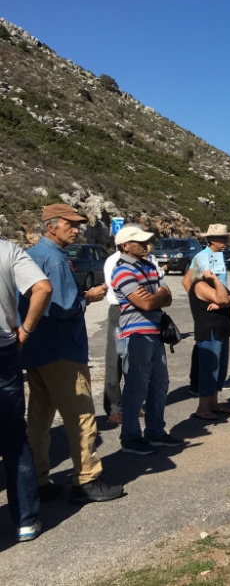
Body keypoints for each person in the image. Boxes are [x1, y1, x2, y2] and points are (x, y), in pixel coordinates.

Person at [20, 204, 124, 504]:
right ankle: (87, 479)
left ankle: (38, 480)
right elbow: (65, 305)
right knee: (80, 417)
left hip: (37, 350)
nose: (76, 229)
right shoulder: (54, 260)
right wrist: (88, 297)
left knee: (38, 420)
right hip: (63, 350)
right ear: (51, 226)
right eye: (71, 224)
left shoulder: (30, 256)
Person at [112, 223, 182, 456]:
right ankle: (130, 437)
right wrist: (157, 295)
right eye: (139, 242)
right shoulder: (122, 270)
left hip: (154, 332)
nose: (146, 245)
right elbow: (146, 303)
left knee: (160, 383)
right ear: (125, 246)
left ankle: (154, 431)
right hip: (137, 333)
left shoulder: (149, 267)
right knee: (136, 385)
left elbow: (166, 297)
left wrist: (156, 296)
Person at [1, 238, 52, 542]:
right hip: (4, 350)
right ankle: (24, 521)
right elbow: (43, 288)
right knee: (13, 439)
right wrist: (26, 330)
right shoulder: (8, 251)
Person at [183, 224, 230, 408]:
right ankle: (204, 401)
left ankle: (213, 402)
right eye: (223, 239)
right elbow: (188, 280)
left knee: (219, 359)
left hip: (221, 304)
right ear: (213, 240)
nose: (226, 242)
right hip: (212, 308)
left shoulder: (217, 255)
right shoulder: (202, 256)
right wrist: (200, 303)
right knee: (210, 358)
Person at [186, 261, 230, 421]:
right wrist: (215, 281)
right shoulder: (200, 285)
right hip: (209, 332)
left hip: (220, 330)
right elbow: (223, 299)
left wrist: (222, 302)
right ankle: (202, 408)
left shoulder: (214, 284)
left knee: (220, 370)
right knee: (209, 370)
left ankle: (213, 404)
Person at [101, 245, 124, 423]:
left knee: (134, 360)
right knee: (115, 359)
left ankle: (133, 402)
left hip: (139, 312)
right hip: (120, 311)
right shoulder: (114, 261)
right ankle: (114, 407)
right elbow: (118, 289)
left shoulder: (146, 260)